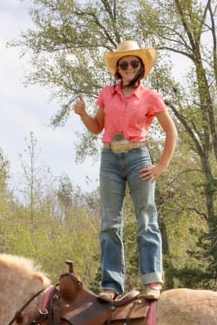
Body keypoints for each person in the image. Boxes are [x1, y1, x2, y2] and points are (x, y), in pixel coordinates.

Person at [74, 40, 177, 301]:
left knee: (146, 218)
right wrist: (83, 114)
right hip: (109, 158)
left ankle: (152, 281)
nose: (129, 67)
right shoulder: (106, 94)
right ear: (117, 69)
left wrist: (161, 166)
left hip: (137, 157)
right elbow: (97, 127)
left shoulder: (150, 96)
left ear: (141, 67)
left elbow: (170, 131)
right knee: (110, 223)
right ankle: (111, 285)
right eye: (124, 64)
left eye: (134, 63)